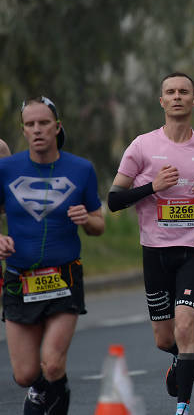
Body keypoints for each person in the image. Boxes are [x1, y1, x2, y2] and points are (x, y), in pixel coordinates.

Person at [108, 73, 194, 415]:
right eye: (170, 92)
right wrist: (153, 187)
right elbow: (114, 200)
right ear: (161, 101)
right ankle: (179, 358)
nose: (177, 97)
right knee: (164, 338)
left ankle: (182, 407)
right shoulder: (142, 146)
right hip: (155, 251)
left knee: (185, 326)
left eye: (183, 92)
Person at [0, 96, 105, 414]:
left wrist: (87, 220)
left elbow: (99, 223)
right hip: (19, 279)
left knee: (53, 363)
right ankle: (44, 390)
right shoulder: (6, 169)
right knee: (26, 374)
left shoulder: (81, 169)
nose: (37, 130)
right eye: (30, 125)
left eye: (43, 123)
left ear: (57, 127)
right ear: (23, 130)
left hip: (64, 277)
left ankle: (55, 387)